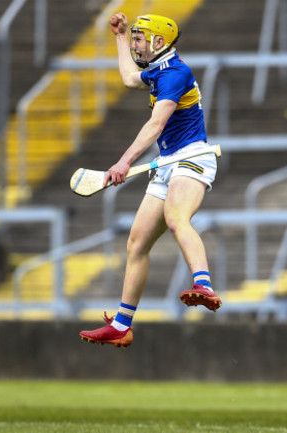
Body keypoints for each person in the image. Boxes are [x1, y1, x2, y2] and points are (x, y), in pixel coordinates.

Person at [79, 13, 221, 348]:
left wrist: (124, 161)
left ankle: (204, 285)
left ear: (160, 42)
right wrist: (119, 35)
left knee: (176, 218)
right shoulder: (159, 70)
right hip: (166, 163)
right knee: (136, 243)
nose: (135, 44)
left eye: (140, 39)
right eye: (135, 38)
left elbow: (156, 125)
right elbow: (129, 78)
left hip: (192, 159)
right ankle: (121, 324)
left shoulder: (175, 74)